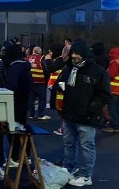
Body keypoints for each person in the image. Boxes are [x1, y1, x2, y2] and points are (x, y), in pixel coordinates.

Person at [54, 41, 110, 187]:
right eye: (73, 53)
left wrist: (92, 108)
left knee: (86, 146)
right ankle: (69, 168)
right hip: (69, 114)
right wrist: (60, 89)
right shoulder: (69, 69)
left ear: (84, 54)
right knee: (69, 143)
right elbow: (59, 84)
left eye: (77, 54)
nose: (74, 56)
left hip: (87, 116)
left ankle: (85, 175)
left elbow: (104, 94)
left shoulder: (96, 71)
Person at [27, 46, 49, 120]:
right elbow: (45, 69)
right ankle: (40, 114)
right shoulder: (41, 58)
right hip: (40, 81)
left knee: (31, 99)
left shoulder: (28, 58)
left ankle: (31, 114)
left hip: (30, 81)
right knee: (42, 98)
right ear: (39, 52)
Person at [104, 47, 119, 133]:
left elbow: (111, 75)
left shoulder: (115, 62)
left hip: (114, 89)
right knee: (117, 108)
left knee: (112, 108)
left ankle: (115, 126)